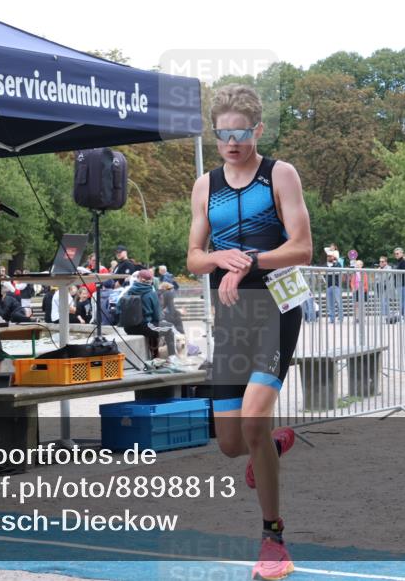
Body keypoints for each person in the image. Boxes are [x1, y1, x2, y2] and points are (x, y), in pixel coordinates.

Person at [186, 84, 311, 580]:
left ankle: (273, 536)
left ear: (257, 130)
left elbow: (301, 248)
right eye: (223, 134)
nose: (233, 143)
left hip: (277, 308)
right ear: (214, 134)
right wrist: (218, 258)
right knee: (231, 443)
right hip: (232, 317)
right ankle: (273, 445)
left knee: (254, 421)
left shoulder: (280, 174)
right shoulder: (205, 185)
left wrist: (249, 263)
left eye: (241, 133)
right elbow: (193, 256)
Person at [116, 269, 177, 360]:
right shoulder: (150, 293)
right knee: (169, 328)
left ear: (138, 279)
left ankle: (155, 358)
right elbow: (157, 316)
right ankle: (173, 358)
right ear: (151, 280)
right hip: (143, 327)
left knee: (154, 326)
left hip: (128, 328)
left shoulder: (128, 291)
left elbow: (118, 309)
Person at [324, 248, 344, 324]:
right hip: (328, 286)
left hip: (336, 286)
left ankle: (341, 317)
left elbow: (339, 270)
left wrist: (334, 264)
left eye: (330, 256)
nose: (328, 257)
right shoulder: (326, 265)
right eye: (328, 256)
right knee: (330, 304)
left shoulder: (337, 264)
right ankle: (332, 319)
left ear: (333, 257)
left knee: (339, 302)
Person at [393, 247, 405, 319]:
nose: (396, 255)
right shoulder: (400, 261)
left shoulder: (403, 262)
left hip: (402, 284)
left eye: (397, 253)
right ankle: (403, 315)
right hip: (400, 284)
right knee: (402, 300)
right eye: (395, 254)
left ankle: (403, 316)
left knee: (402, 300)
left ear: (402, 254)